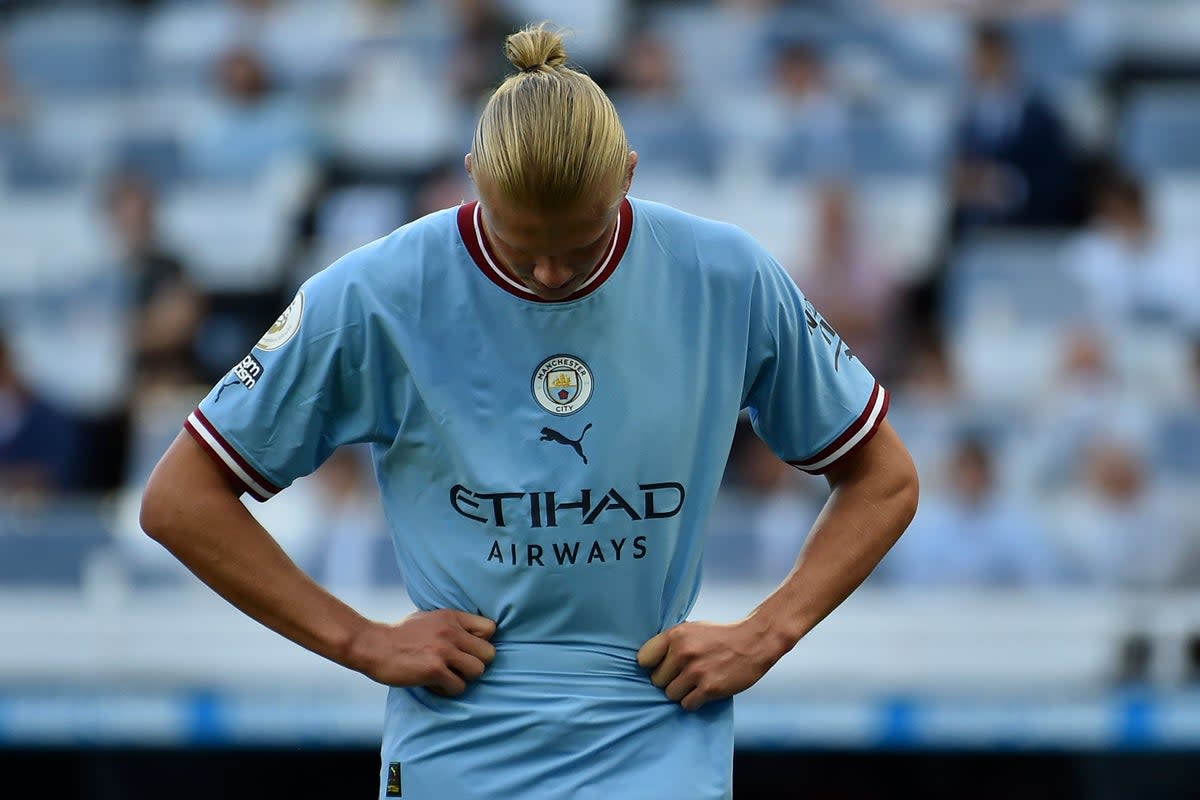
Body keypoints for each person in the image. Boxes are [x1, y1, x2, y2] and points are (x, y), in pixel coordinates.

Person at [139, 23, 919, 800]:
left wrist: (768, 632)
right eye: (520, 246)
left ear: (629, 176)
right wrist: (360, 641)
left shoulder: (727, 276)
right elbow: (180, 499)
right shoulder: (375, 293)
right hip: (459, 739)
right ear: (473, 174)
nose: (549, 272)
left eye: (580, 246)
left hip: (654, 728)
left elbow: (883, 478)